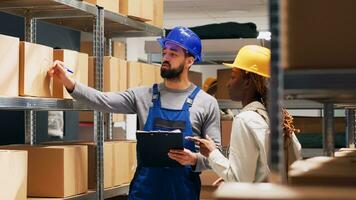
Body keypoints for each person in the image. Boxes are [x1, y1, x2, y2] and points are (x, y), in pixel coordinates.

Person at [48, 26, 221, 200]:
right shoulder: (143, 96)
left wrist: (193, 160)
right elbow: (102, 100)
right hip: (144, 192)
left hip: (183, 193)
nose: (166, 58)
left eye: (173, 54)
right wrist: (68, 82)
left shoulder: (206, 103)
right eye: (164, 52)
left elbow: (216, 156)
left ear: (189, 61)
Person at [188, 45, 301, 183]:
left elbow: (239, 180)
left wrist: (212, 153)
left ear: (248, 81)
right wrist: (227, 178)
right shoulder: (275, 117)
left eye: (233, 77)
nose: (228, 84)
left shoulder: (245, 119)